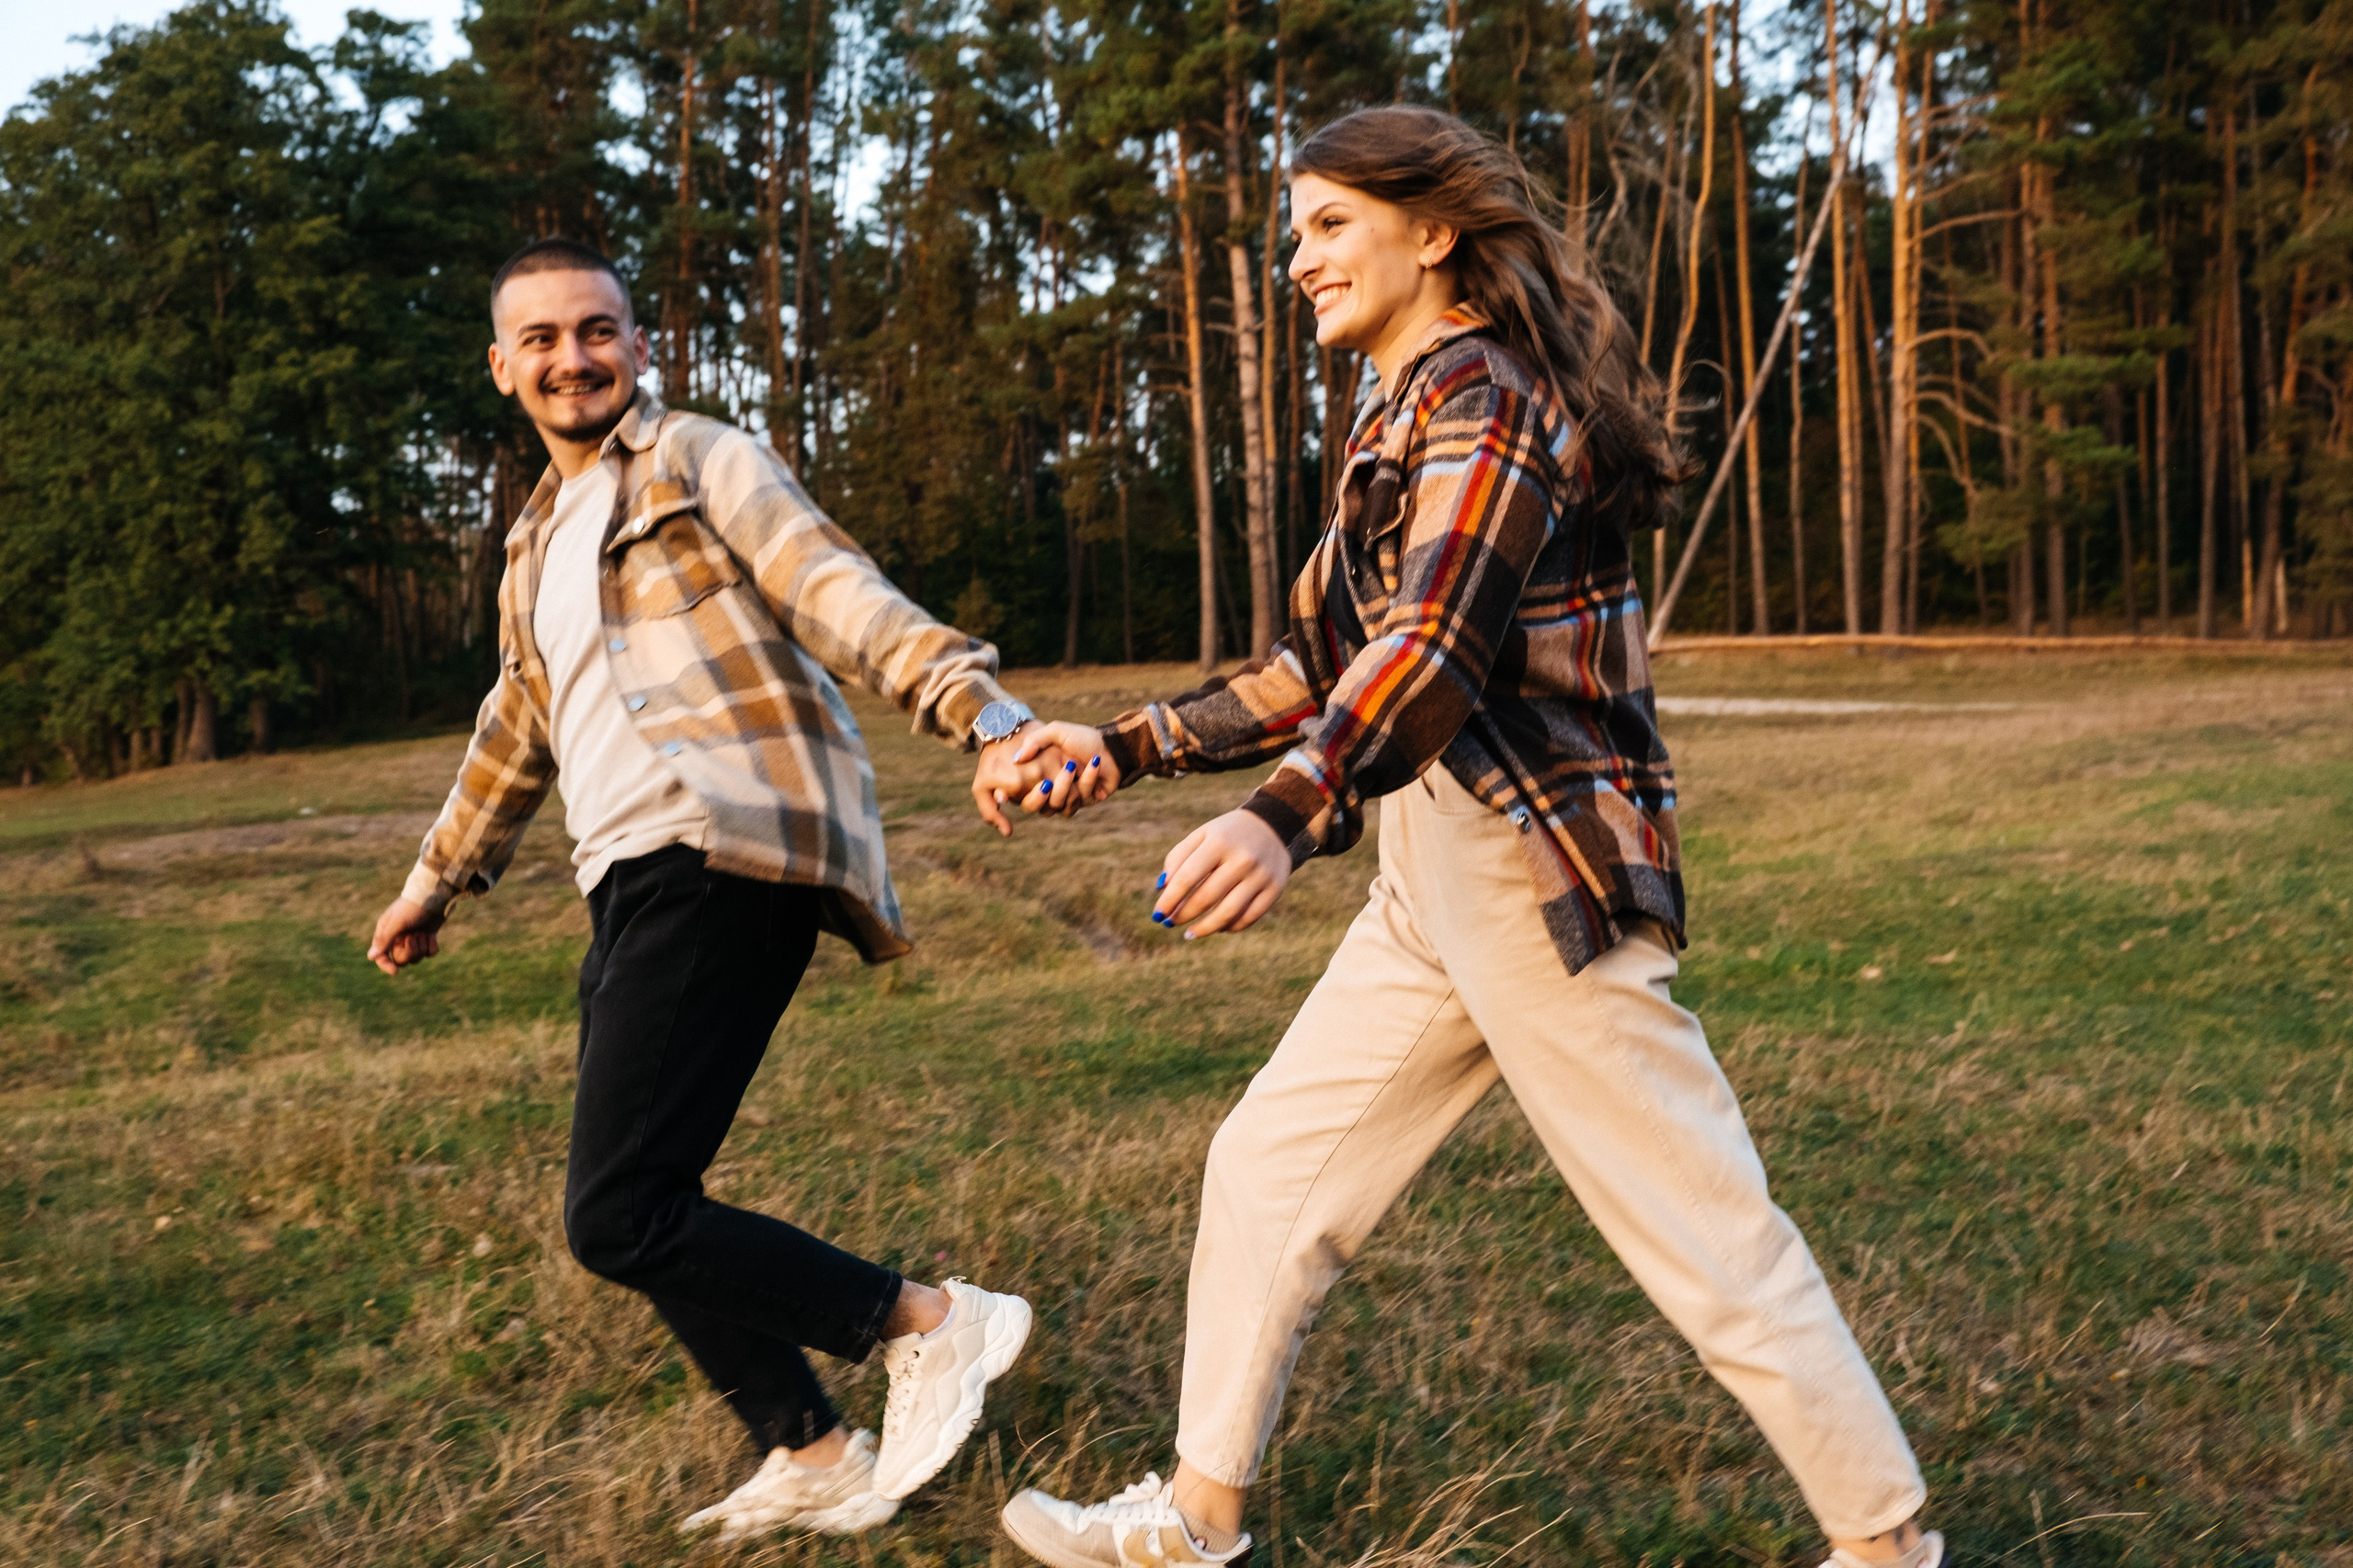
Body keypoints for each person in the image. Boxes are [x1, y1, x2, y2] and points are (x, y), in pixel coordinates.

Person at [993, 108, 1945, 1568]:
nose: (1294, 256)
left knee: (1698, 1222)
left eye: (1327, 223)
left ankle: (1887, 1548)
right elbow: (1319, 659)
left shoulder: (1485, 400)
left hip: (1534, 865)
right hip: (1434, 867)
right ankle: (1196, 1521)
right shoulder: (1398, 415)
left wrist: (1282, 812)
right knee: (1267, 1165)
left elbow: (1430, 653)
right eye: (1291, 228)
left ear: (1431, 231)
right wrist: (1117, 748)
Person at [367, 237, 1067, 1541]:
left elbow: (831, 588)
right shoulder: (533, 543)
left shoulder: (696, 458)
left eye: (598, 329)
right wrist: (435, 881)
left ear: (639, 346)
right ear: (501, 365)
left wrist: (981, 713)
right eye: (543, 337)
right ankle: (808, 1449)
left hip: (726, 841)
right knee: (647, 1187)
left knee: (617, 1207)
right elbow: (516, 725)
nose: (572, 355)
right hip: (625, 877)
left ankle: (926, 1319)